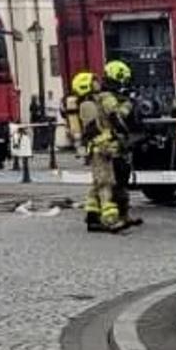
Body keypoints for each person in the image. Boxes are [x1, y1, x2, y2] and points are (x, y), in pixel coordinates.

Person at [73, 71, 128, 233]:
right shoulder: (88, 105)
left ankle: (92, 216)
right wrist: (107, 143)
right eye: (94, 81)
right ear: (86, 86)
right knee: (105, 183)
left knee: (97, 183)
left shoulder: (92, 102)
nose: (98, 83)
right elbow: (93, 130)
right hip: (100, 148)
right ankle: (110, 219)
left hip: (101, 147)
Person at [100, 60, 141, 228]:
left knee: (123, 179)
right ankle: (112, 216)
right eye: (123, 80)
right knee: (114, 181)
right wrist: (129, 104)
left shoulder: (113, 96)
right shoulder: (107, 98)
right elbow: (117, 117)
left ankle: (124, 214)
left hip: (118, 144)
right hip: (110, 145)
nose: (125, 84)